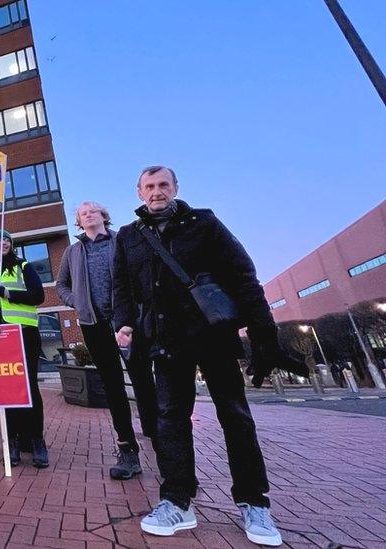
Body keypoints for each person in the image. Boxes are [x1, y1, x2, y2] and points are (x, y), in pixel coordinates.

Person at [112, 166, 307, 546]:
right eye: (149, 186)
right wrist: (125, 323)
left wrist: (263, 331)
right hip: (165, 340)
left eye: (163, 185)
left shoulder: (204, 222)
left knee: (234, 416)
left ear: (175, 188)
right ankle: (177, 499)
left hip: (213, 336)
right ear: (139, 193)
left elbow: (242, 274)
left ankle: (254, 502)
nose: (157, 192)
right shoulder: (129, 236)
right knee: (170, 419)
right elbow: (121, 285)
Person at [57, 201, 159, 480]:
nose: (88, 214)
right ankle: (127, 448)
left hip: (128, 322)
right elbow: (61, 285)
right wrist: (77, 303)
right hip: (95, 325)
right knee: (113, 386)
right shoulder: (73, 251)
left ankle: (159, 440)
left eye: (93, 210)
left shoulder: (122, 240)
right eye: (82, 212)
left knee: (143, 380)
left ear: (104, 215)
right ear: (79, 221)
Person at [0, 230, 48, 468]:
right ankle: (12, 441)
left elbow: (39, 295)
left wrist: (9, 294)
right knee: (7, 388)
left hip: (25, 332)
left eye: (7, 240)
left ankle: (36, 440)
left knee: (29, 386)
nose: (2, 243)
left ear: (11, 246)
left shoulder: (23, 266)